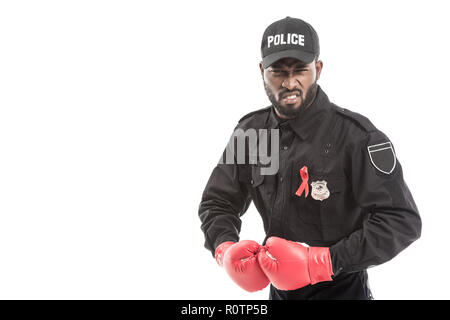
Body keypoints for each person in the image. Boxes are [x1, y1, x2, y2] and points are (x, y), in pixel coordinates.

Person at [198, 16, 421, 300]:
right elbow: (218, 202)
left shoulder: (356, 137)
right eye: (277, 71)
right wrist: (225, 248)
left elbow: (401, 220)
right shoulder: (251, 133)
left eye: (300, 70)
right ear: (261, 71)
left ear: (317, 69)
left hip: (344, 293)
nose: (289, 83)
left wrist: (322, 263)